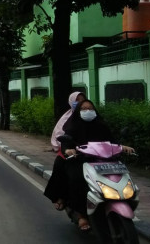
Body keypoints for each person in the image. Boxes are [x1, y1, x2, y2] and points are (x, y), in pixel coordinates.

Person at [60, 99, 135, 231]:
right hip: (81, 161)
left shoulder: (101, 125)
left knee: (123, 179)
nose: (87, 111)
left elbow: (112, 141)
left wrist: (122, 147)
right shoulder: (74, 126)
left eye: (90, 108)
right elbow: (66, 142)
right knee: (77, 179)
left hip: (105, 162)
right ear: (78, 112)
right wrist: (68, 150)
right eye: (83, 109)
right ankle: (80, 214)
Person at [43, 91, 86, 211]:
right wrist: (67, 149)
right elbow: (60, 136)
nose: (80, 103)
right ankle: (65, 200)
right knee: (68, 172)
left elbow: (105, 136)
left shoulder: (94, 119)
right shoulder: (68, 119)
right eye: (77, 100)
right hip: (71, 152)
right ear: (71, 102)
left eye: (83, 100)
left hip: (92, 154)